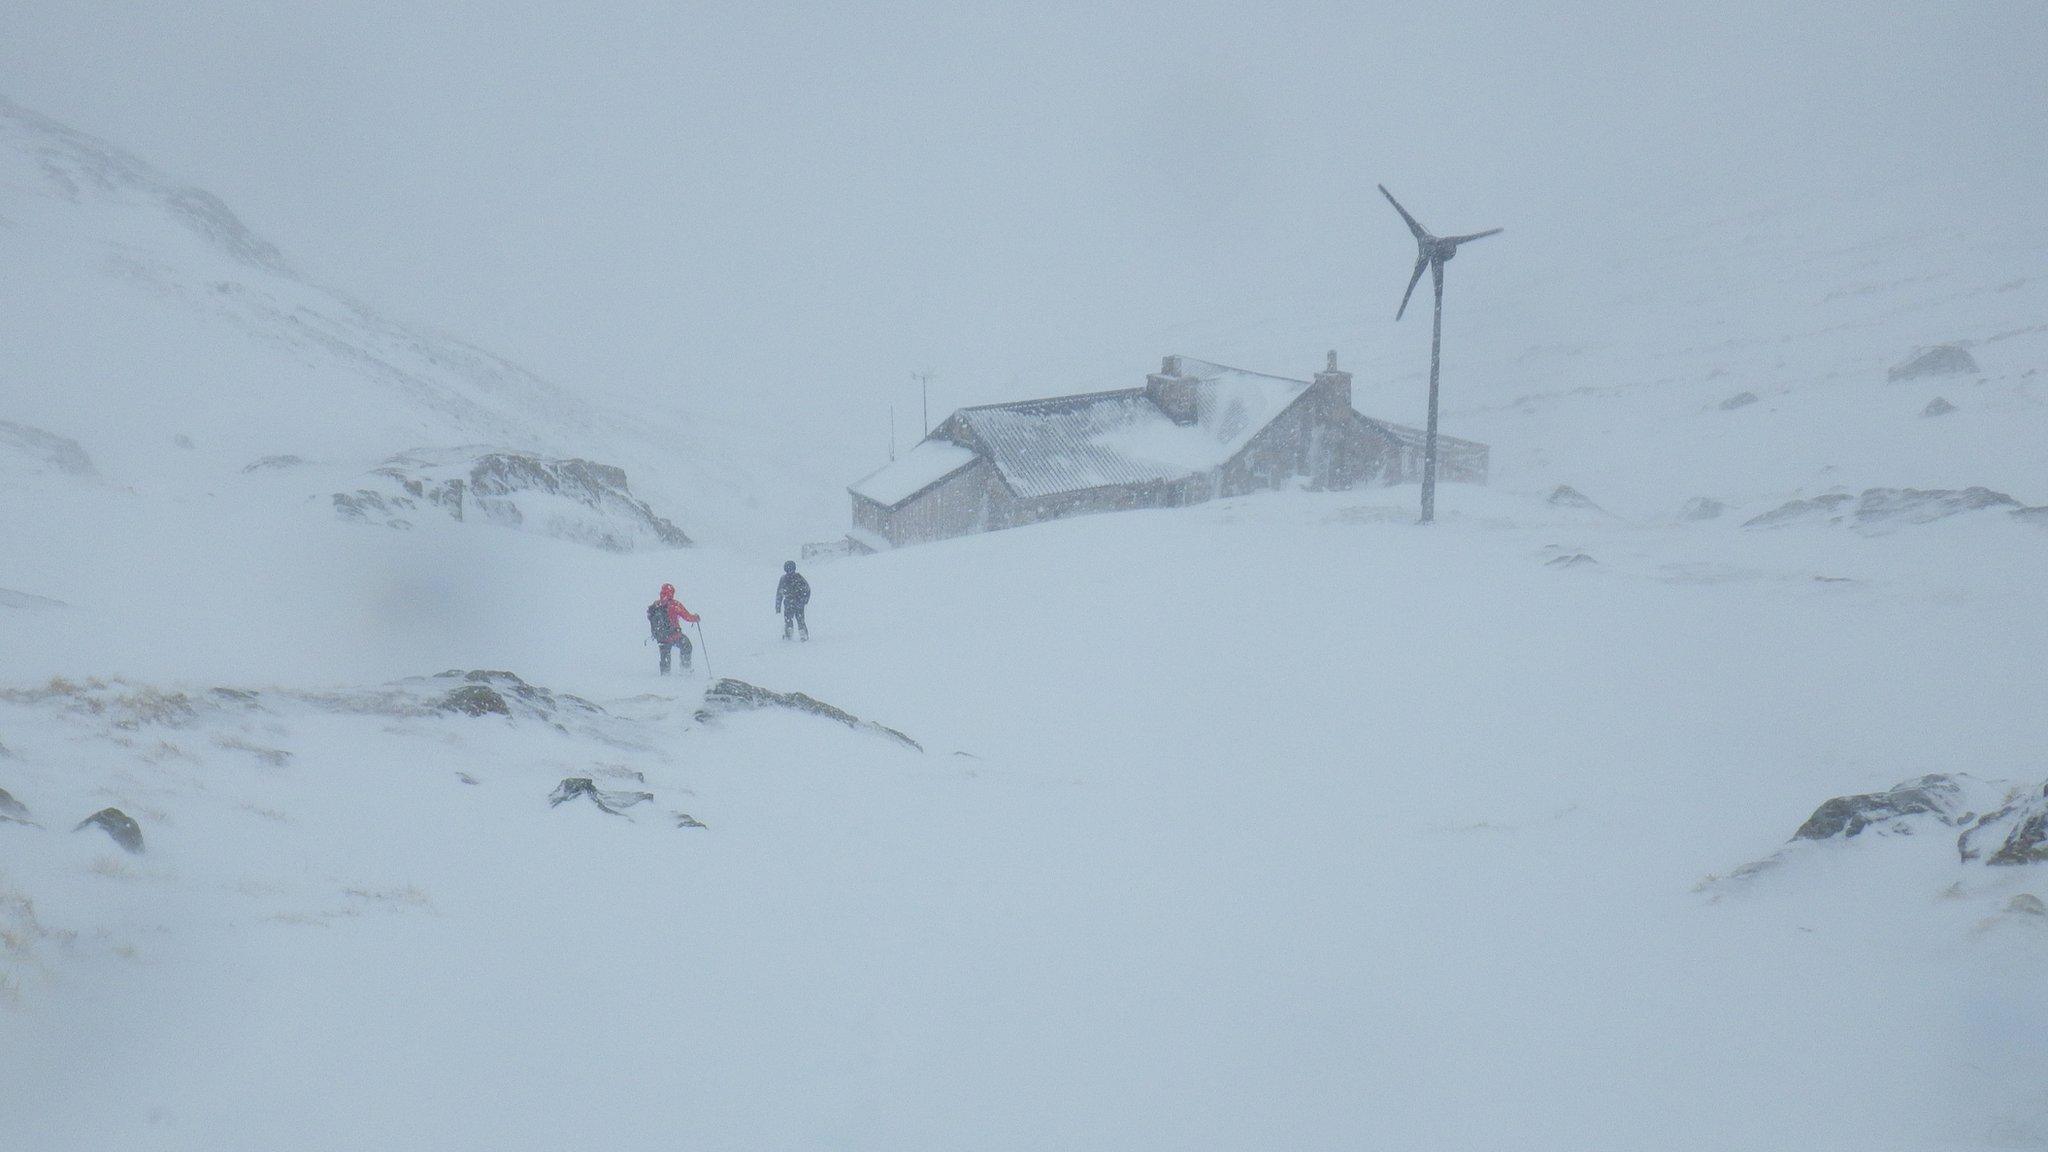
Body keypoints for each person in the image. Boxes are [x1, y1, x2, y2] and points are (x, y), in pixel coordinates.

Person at [646, 583, 700, 674]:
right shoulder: (675, 605)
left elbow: (649, 617)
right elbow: (687, 617)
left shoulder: (655, 606)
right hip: (675, 635)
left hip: (661, 638)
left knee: (665, 658)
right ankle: (685, 670)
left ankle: (664, 678)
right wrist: (695, 618)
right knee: (687, 646)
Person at [775, 560, 811, 641]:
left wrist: (778, 606)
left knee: (788, 619)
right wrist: (805, 600)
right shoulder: (799, 577)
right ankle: (803, 634)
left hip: (789, 603)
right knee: (800, 619)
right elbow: (807, 589)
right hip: (799, 603)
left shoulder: (783, 579)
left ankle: (789, 634)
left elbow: (779, 593)